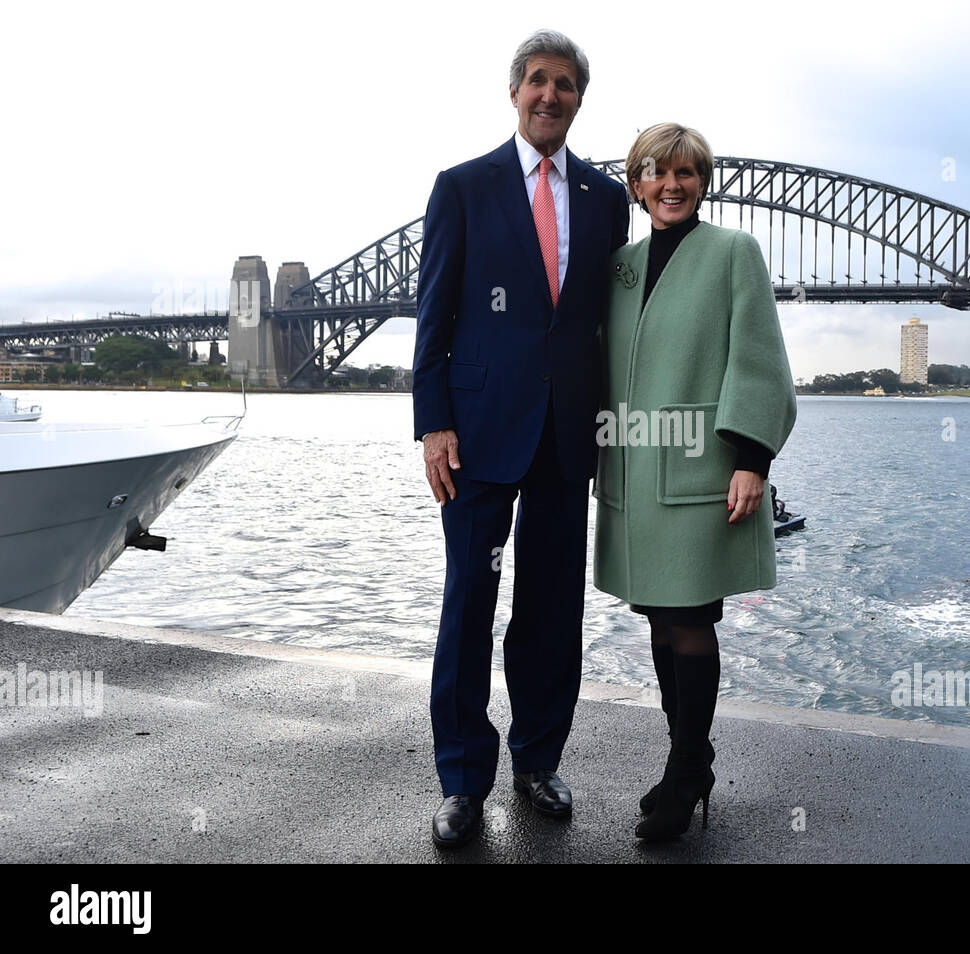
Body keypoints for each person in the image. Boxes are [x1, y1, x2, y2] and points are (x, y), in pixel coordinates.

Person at [413, 29, 630, 849]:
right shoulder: (463, 188)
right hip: (473, 434)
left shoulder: (608, 200)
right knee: (469, 599)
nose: (550, 95)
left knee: (549, 606)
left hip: (568, 435)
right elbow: (434, 317)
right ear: (515, 93)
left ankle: (539, 760)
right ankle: (463, 779)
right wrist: (433, 421)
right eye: (537, 81)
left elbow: (612, 326)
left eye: (566, 84)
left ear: (579, 99)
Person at [593, 124, 797, 841]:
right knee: (656, 613)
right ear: (636, 184)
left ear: (702, 182)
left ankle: (684, 775)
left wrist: (751, 458)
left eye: (686, 173)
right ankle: (691, 759)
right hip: (632, 470)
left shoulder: (733, 252)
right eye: (656, 173)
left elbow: (760, 360)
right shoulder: (621, 263)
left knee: (690, 618)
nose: (671, 185)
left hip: (704, 469)